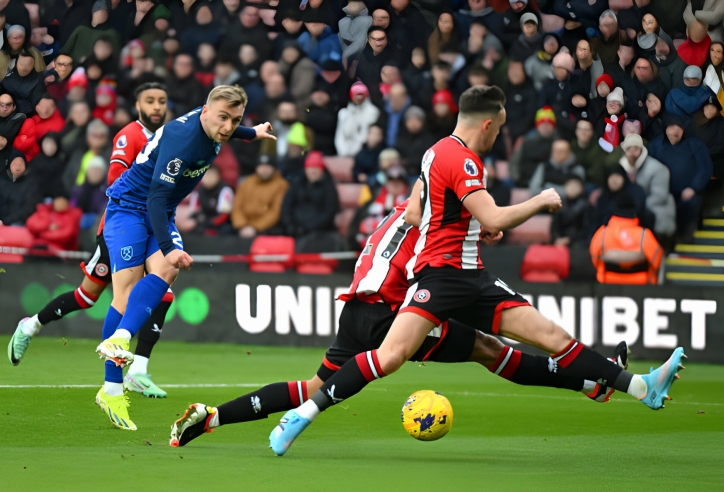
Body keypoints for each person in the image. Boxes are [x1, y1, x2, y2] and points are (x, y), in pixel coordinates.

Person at [268, 85, 686, 456]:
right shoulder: (463, 159)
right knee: (391, 355)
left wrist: (470, 227)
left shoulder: (435, 151)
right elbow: (498, 217)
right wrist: (540, 201)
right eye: (499, 128)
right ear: (486, 124)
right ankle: (303, 414)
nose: (499, 135)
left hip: (474, 277)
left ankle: (640, 387)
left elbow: (417, 211)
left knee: (553, 338)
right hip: (440, 276)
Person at [169, 199, 631, 448]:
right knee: (489, 349)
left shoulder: (404, 213)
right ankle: (589, 381)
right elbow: (434, 271)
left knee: (314, 385)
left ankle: (213, 417)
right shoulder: (436, 223)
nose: (484, 232)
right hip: (390, 313)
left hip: (357, 310)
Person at [93, 86, 274, 430]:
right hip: (131, 208)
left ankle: (120, 339)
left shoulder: (215, 121)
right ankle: (112, 388)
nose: (227, 126)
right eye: (223, 118)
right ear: (205, 111)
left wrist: (253, 132)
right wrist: (169, 244)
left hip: (160, 209)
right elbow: (156, 200)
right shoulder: (181, 141)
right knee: (125, 292)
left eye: (234, 120)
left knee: (166, 271)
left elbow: (227, 123)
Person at [8, 83, 176, 402]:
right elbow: (114, 179)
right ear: (137, 104)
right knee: (88, 296)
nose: (157, 107)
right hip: (119, 226)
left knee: (161, 293)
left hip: (148, 225)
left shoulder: (166, 137)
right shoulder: (130, 135)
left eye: (162, 101)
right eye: (150, 101)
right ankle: (31, 326)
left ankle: (138, 372)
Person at [648, 115, 714, 240]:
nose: (675, 131)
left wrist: (693, 188)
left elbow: (705, 169)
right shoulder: (655, 145)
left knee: (691, 203)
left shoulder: (695, 145)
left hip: (688, 192)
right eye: (672, 127)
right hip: (663, 192)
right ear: (665, 128)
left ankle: (685, 236)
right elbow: (649, 169)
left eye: (679, 127)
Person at [590, 193, 663, 285]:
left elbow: (594, 259)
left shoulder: (602, 233)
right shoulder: (644, 235)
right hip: (641, 286)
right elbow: (658, 260)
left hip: (607, 284)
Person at [618, 134, 676, 239]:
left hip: (652, 208)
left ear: (641, 150)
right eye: (628, 149)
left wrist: (636, 209)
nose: (632, 152)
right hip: (629, 208)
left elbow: (659, 196)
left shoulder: (657, 168)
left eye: (635, 148)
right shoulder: (619, 168)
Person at [281, 151, 339, 242]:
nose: (313, 170)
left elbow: (328, 213)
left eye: (316, 167)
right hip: (294, 230)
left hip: (319, 232)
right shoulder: (297, 184)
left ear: (322, 170)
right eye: (310, 167)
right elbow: (286, 207)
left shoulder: (329, 188)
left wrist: (309, 228)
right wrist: (291, 226)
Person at [230, 154, 289, 238]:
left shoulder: (281, 185)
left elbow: (275, 212)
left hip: (266, 228)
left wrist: (255, 227)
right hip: (243, 226)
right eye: (261, 166)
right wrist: (241, 225)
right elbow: (236, 206)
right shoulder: (247, 182)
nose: (264, 170)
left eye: (267, 166)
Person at [334, 81, 380, 157]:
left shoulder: (372, 112)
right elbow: (339, 136)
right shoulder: (343, 113)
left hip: (362, 153)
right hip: (343, 153)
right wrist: (343, 152)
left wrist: (353, 153)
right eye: (356, 94)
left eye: (361, 94)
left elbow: (364, 136)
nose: (358, 97)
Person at [550, 174, 589, 249]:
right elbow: (554, 225)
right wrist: (557, 238)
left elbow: (585, 228)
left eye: (576, 186)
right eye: (570, 185)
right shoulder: (559, 203)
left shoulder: (586, 206)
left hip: (578, 241)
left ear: (582, 188)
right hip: (560, 240)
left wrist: (569, 239)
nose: (572, 188)